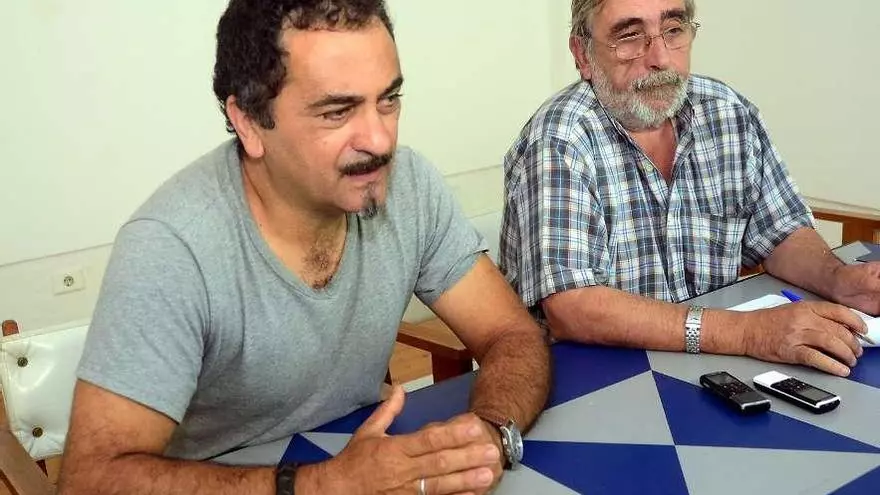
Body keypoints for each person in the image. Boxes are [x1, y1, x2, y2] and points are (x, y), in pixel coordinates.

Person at [58, 1, 550, 494]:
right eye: (337, 111)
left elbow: (511, 333)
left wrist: (490, 433)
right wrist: (325, 485)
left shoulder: (410, 187)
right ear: (249, 123)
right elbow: (90, 480)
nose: (380, 140)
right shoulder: (171, 247)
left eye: (388, 100)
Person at [500, 0, 880, 379]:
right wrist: (748, 333)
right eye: (629, 36)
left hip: (714, 363)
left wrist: (838, 279)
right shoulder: (559, 140)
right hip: (596, 378)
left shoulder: (727, 111)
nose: (661, 58)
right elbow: (572, 307)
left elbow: (780, 232)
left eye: (673, 30)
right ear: (583, 54)